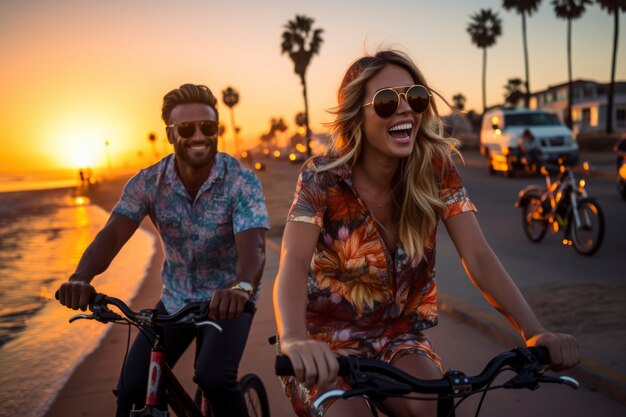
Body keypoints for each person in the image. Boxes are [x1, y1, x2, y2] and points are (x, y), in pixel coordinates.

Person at [273, 50, 579, 417]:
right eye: (387, 102)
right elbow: (292, 261)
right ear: (357, 115)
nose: (405, 110)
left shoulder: (435, 169)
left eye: (415, 97)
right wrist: (292, 339)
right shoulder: (321, 177)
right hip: (321, 343)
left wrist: (534, 331)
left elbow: (478, 256)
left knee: (432, 406)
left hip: (398, 336)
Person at [56, 83, 269, 417]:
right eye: (186, 128)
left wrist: (241, 287)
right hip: (176, 302)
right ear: (170, 134)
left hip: (230, 301)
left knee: (214, 379)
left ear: (217, 130)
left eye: (208, 127)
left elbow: (253, 245)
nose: (199, 135)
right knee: (131, 388)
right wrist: (80, 277)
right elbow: (113, 234)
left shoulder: (240, 181)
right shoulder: (147, 183)